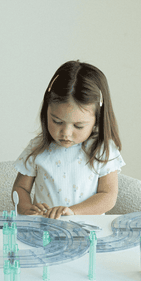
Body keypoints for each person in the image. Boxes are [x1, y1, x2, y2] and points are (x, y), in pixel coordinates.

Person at [12, 60, 125, 219]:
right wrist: (26, 209)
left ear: (97, 120)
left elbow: (108, 196)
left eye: (78, 126)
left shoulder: (102, 149)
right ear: (46, 111)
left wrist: (72, 212)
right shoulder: (38, 147)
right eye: (57, 121)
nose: (66, 133)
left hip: (88, 230)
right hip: (45, 229)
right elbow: (20, 188)